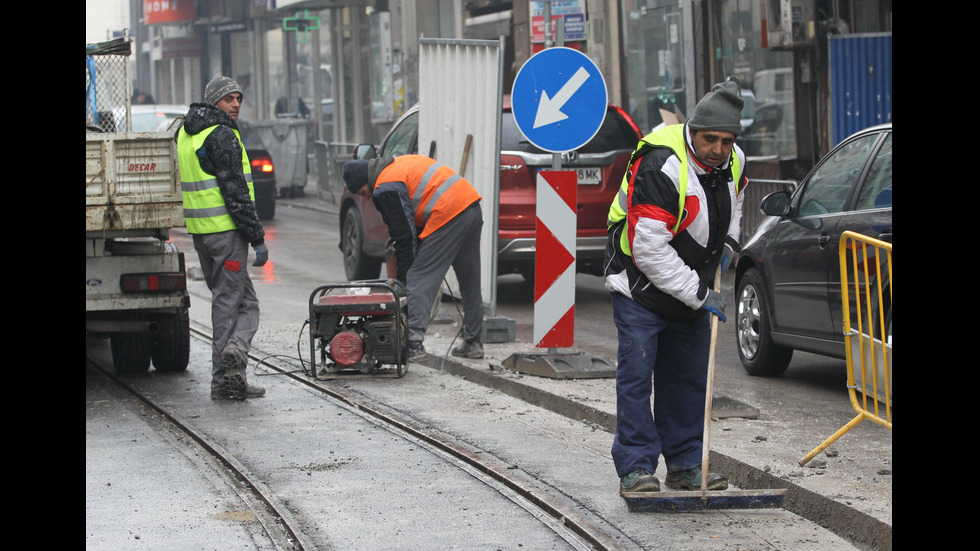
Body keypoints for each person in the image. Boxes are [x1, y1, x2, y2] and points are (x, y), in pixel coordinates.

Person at [603, 80, 748, 495]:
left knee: (687, 377)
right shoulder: (662, 164)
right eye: (710, 139)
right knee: (637, 376)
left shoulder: (734, 161)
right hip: (639, 286)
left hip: (689, 283)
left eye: (727, 140)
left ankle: (686, 464)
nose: (718, 149)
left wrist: (729, 245)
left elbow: (735, 204)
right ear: (693, 130)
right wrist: (701, 295)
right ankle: (635, 466)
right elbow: (649, 250)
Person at [175, 76, 269, 401]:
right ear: (214, 101)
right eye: (229, 99)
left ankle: (235, 378)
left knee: (241, 301)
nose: (235, 105)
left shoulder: (186, 134)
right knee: (231, 306)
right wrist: (256, 237)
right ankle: (226, 371)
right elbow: (236, 193)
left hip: (201, 234)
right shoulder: (221, 135)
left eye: (239, 98)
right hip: (226, 232)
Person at [342, 154, 485, 360]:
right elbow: (411, 220)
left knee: (419, 276)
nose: (366, 198)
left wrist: (403, 277)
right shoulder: (397, 166)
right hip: (471, 206)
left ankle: (412, 343)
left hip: (448, 212)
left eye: (363, 192)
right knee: (470, 279)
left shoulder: (385, 186)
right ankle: (473, 342)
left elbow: (405, 236)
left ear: (366, 181)